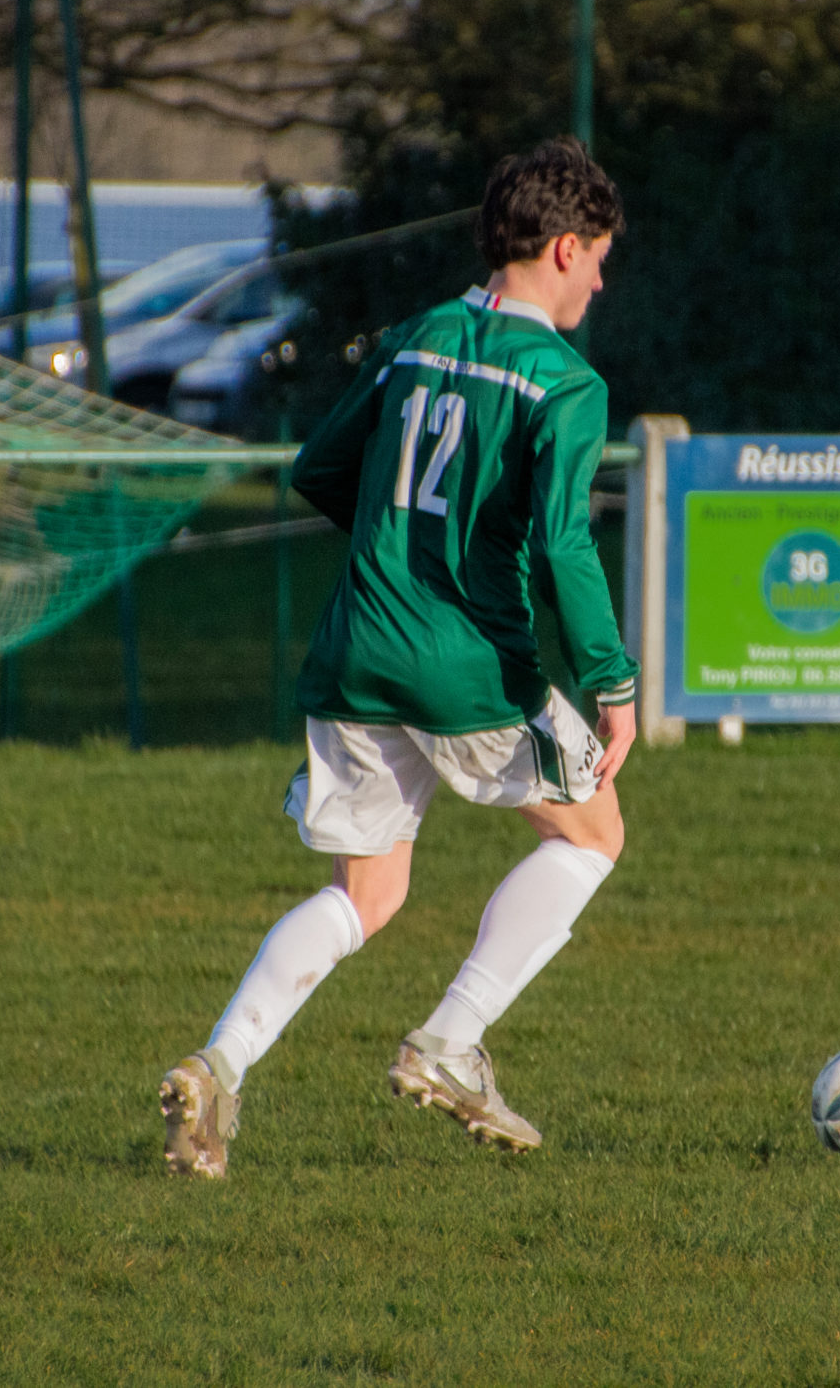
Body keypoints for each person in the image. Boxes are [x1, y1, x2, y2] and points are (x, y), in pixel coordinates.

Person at [159, 136, 640, 1178]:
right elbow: (564, 545)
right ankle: (449, 1041)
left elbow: (322, 467)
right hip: (465, 665)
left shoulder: (418, 335)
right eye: (599, 258)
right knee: (595, 833)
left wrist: (401, 547)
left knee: (366, 896)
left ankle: (217, 1065)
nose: (601, 282)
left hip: (358, 650)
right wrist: (613, 683)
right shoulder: (564, 381)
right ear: (565, 248)